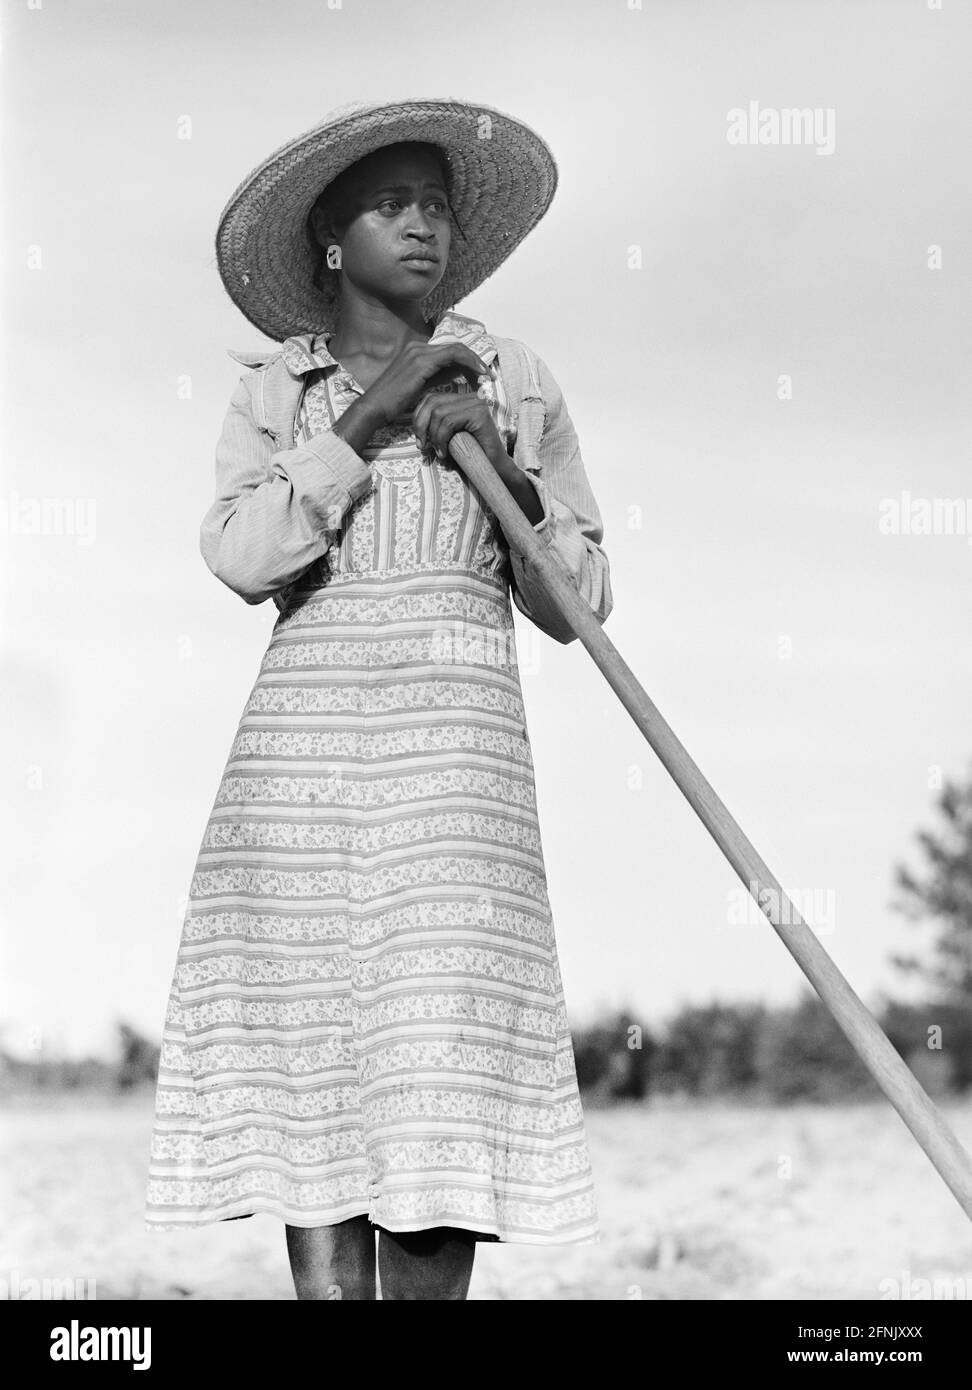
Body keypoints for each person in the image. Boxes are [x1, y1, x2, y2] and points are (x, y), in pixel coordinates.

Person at [146, 97, 614, 1301]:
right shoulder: (276, 391)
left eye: (439, 207)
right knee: (317, 1090)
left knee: (436, 1078)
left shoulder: (515, 378)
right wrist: (373, 413)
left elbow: (575, 608)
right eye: (393, 205)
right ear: (330, 242)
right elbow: (245, 558)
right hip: (298, 785)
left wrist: (501, 463)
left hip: (458, 776)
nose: (424, 228)